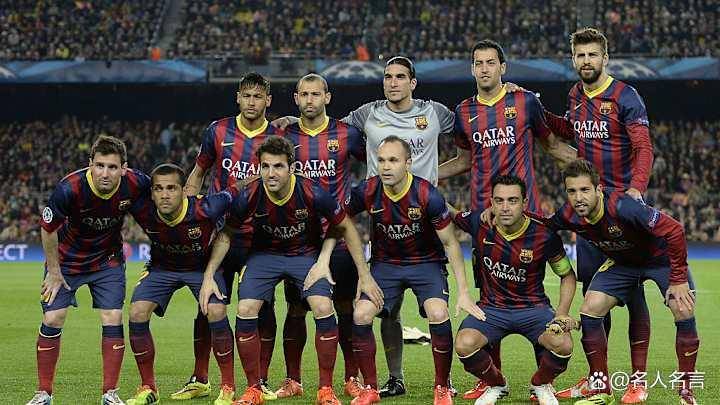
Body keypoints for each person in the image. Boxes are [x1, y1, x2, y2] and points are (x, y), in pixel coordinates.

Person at [438, 39, 576, 400]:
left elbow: (551, 145)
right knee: (490, 295)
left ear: (503, 67)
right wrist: (425, 177)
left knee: (533, 292)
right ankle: (492, 380)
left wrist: (594, 173)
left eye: (490, 62)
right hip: (483, 215)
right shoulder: (463, 111)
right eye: (478, 63)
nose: (484, 68)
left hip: (525, 212)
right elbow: (464, 161)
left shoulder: (525, 101)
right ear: (472, 69)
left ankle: (542, 379)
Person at [199, 136, 383, 405]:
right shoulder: (249, 194)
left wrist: (362, 275)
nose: (271, 173)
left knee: (323, 306)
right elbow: (226, 234)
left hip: (304, 255)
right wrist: (208, 276)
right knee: (245, 309)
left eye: (278, 166)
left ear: (292, 168)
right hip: (264, 257)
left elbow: (345, 226)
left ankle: (325, 390)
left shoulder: (312, 191)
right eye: (265, 166)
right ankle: (254, 390)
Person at [543, 28, 655, 403]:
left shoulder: (626, 96)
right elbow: (569, 129)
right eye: (581, 55)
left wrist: (636, 190)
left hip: (622, 212)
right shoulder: (576, 96)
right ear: (573, 59)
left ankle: (638, 382)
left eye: (593, 55)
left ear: (605, 58)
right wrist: (534, 109)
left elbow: (643, 148)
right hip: (589, 215)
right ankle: (598, 379)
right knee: (593, 297)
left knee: (633, 296)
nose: (586, 61)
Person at [346, 136, 483, 405]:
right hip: (386, 265)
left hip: (426, 263)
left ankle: (442, 386)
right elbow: (341, 220)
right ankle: (371, 388)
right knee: (361, 314)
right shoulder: (367, 190)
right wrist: (363, 273)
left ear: (408, 163)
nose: (386, 166)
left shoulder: (426, 194)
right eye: (381, 160)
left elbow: (450, 242)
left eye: (393, 160)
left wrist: (464, 292)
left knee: (438, 313)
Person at [549, 159, 698, 405]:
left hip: (660, 259)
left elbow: (674, 230)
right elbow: (543, 225)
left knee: (683, 308)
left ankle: (686, 391)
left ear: (598, 189)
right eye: (571, 191)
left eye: (585, 190)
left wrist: (679, 278)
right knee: (590, 307)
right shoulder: (568, 214)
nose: (578, 198)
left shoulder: (624, 207)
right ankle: (601, 387)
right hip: (625, 264)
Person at [175, 73, 283, 401]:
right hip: (219, 233)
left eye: (258, 96)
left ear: (268, 101)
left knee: (263, 306)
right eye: (246, 95)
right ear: (238, 97)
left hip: (259, 236)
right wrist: (189, 215)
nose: (251, 102)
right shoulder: (218, 131)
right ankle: (200, 377)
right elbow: (198, 173)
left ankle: (260, 379)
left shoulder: (277, 136)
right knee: (207, 304)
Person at [29, 135, 150, 405]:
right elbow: (47, 229)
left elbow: (164, 197)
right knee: (53, 318)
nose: (105, 173)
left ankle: (110, 393)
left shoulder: (137, 182)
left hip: (108, 260)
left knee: (113, 316)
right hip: (67, 261)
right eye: (100, 165)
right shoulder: (69, 188)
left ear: (124, 168)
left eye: (112, 167)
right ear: (90, 164)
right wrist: (54, 272)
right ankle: (43, 394)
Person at [270, 73, 368, 399]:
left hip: (338, 237)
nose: (310, 100)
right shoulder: (285, 135)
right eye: (304, 94)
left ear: (327, 97)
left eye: (316, 94)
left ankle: (351, 378)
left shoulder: (347, 134)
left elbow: (374, 166)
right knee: (296, 309)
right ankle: (293, 380)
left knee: (345, 306)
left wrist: (357, 203)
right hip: (299, 239)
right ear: (296, 98)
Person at [450, 175, 577, 405]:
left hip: (533, 309)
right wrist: (421, 186)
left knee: (563, 344)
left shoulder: (544, 235)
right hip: (492, 309)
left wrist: (561, 313)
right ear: (491, 202)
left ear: (524, 202)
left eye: (512, 200)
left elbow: (567, 275)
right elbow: (448, 212)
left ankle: (540, 383)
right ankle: (497, 383)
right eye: (499, 201)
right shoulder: (480, 223)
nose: (505, 207)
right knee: (464, 344)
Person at [124, 164, 235, 405]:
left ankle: (228, 387)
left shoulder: (207, 207)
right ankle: (148, 388)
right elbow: (121, 180)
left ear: (184, 191)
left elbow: (237, 192)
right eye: (159, 189)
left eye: (171, 188)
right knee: (137, 312)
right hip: (162, 268)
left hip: (201, 269)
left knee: (216, 310)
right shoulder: (143, 209)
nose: (165, 195)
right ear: (151, 192)